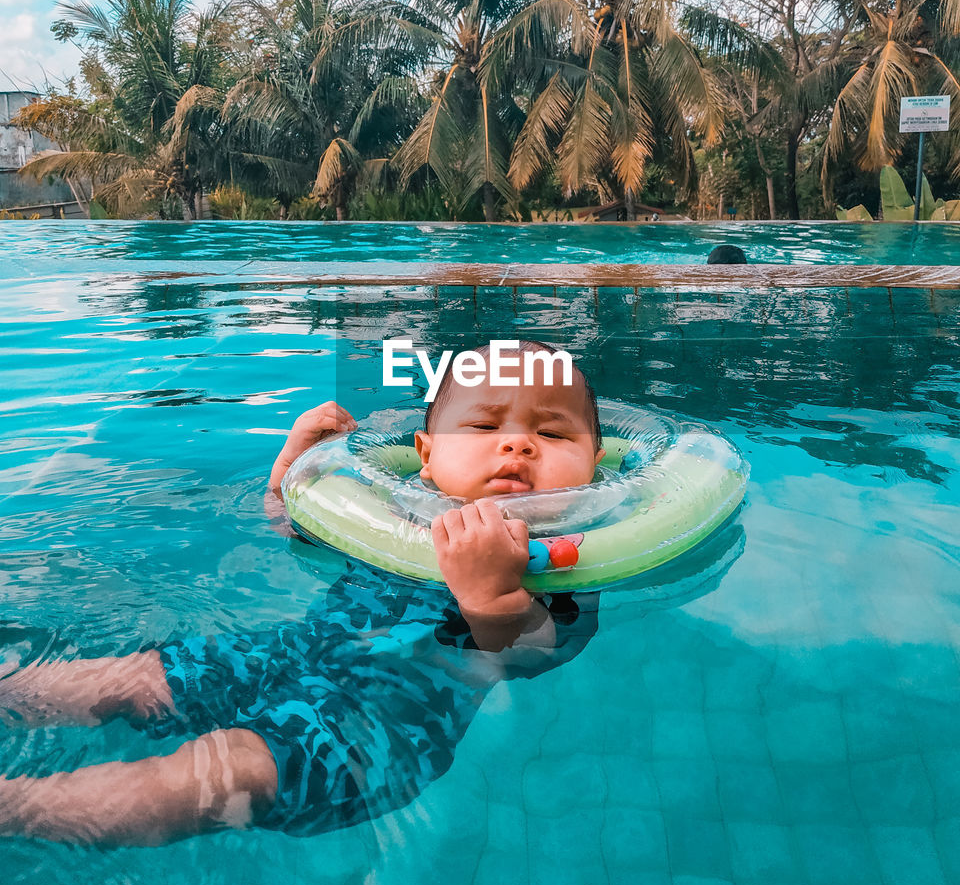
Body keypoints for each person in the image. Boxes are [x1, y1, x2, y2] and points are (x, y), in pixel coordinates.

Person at [0, 342, 602, 846]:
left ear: (596, 466)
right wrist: (291, 470)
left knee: (225, 771)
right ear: (425, 455)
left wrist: (492, 596)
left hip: (379, 726)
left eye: (551, 433)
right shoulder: (390, 508)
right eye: (483, 425)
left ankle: (15, 806)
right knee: (139, 676)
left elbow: (535, 652)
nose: (518, 445)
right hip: (289, 651)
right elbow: (292, 535)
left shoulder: (568, 560)